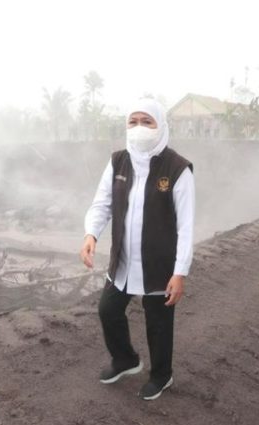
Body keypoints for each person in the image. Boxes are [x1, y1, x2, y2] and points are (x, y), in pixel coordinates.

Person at [80, 98, 196, 401]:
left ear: (161, 125)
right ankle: (125, 359)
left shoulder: (178, 169)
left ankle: (162, 375)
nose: (139, 128)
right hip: (123, 258)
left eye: (147, 121)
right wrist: (91, 234)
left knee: (158, 322)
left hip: (159, 263)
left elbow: (186, 227)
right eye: (133, 122)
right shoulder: (118, 161)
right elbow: (102, 204)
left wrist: (180, 272)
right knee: (108, 310)